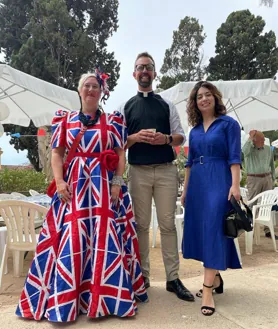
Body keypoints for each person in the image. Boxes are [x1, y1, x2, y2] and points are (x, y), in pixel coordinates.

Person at [16, 69, 148, 323]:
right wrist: (59, 181)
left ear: (101, 92)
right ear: (79, 90)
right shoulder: (65, 120)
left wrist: (117, 183)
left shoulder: (114, 121)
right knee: (72, 239)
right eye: (86, 85)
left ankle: (105, 299)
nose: (90, 90)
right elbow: (57, 154)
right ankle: (67, 300)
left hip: (103, 187)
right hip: (74, 188)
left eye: (95, 86)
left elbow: (120, 154)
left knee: (103, 239)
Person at [119, 52, 194, 302]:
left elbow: (181, 136)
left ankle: (173, 278)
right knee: (140, 225)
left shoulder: (166, 104)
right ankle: (142, 277)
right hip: (138, 171)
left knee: (168, 225)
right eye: (140, 67)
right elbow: (117, 142)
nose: (144, 71)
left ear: (154, 73)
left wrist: (166, 139)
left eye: (148, 67)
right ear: (134, 74)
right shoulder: (125, 107)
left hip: (165, 170)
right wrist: (135, 138)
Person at [181, 81, 242, 316]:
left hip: (219, 180)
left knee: (215, 229)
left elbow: (234, 157)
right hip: (197, 183)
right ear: (194, 103)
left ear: (215, 98)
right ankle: (215, 278)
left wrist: (235, 185)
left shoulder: (229, 124)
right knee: (202, 231)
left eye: (208, 95)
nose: (203, 99)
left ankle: (207, 290)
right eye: (199, 97)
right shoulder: (194, 131)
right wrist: (186, 190)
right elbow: (188, 163)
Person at [242, 130, 277, 239]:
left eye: (263, 139)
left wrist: (273, 178)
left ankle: (267, 230)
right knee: (252, 204)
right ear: (254, 140)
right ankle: (250, 227)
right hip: (254, 178)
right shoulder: (249, 149)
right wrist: (250, 138)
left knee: (268, 204)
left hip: (267, 178)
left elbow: (271, 163)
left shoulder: (267, 149)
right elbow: (244, 151)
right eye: (261, 140)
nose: (263, 141)